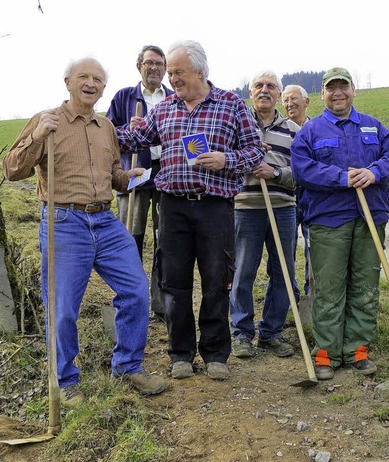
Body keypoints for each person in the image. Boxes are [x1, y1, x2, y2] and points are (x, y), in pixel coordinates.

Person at [3, 57, 168, 405]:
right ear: (67, 82)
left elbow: (114, 176)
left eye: (98, 79)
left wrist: (130, 177)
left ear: (103, 88)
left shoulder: (106, 127)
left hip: (105, 221)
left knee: (136, 289)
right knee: (63, 307)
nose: (91, 83)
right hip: (64, 222)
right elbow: (12, 170)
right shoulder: (46, 120)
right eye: (84, 77)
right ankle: (65, 380)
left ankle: (128, 365)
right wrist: (35, 137)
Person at [117, 40, 265, 381]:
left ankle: (215, 354)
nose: (172, 78)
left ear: (198, 70)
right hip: (172, 207)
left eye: (177, 72)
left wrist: (227, 159)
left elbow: (256, 150)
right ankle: (181, 354)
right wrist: (95, 128)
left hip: (215, 207)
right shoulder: (165, 108)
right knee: (174, 283)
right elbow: (134, 140)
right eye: (170, 72)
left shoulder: (231, 105)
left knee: (217, 280)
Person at [291, 67, 389, 381]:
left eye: (343, 87)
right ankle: (326, 352)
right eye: (331, 88)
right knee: (328, 288)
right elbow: (302, 169)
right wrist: (342, 178)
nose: (338, 93)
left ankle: (358, 350)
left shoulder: (373, 126)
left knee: (365, 286)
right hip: (329, 220)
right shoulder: (310, 132)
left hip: (370, 219)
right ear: (323, 93)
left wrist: (375, 172)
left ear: (353, 90)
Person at [229, 71, 300, 359]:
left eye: (271, 86)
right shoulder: (236, 126)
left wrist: (276, 172)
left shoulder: (294, 130)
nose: (264, 90)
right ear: (250, 93)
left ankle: (271, 332)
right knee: (243, 270)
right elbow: (223, 163)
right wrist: (247, 162)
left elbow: (304, 174)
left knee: (282, 271)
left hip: (283, 208)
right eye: (259, 85)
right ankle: (241, 333)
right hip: (246, 208)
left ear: (278, 95)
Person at [106, 45, 174, 322]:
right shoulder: (124, 97)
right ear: (140, 67)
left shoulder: (173, 98)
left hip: (166, 175)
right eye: (149, 63)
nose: (154, 68)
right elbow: (108, 133)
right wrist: (127, 129)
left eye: (159, 63)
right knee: (130, 238)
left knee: (165, 241)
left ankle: (160, 303)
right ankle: (131, 300)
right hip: (134, 174)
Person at [281, 84, 311, 298]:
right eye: (285, 101)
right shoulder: (280, 130)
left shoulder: (317, 128)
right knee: (286, 250)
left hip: (312, 198)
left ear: (306, 102)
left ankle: (313, 295)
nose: (289, 104)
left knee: (315, 250)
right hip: (288, 196)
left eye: (294, 99)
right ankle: (291, 295)